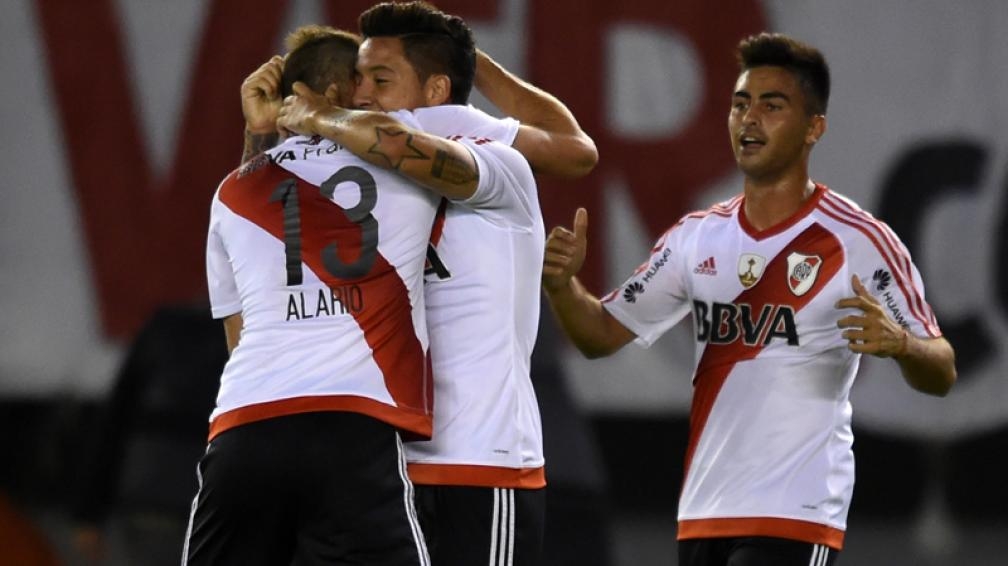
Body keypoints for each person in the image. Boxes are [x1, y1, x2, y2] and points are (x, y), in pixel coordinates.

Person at [540, 32, 956, 566]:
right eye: (741, 104)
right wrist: (562, 286)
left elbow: (942, 369)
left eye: (772, 105)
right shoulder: (696, 238)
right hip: (705, 510)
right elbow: (599, 335)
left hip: (797, 510)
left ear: (814, 128)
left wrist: (902, 344)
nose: (749, 119)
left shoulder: (859, 240)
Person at [273, 3, 597, 564]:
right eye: (357, 78)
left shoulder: (459, 136)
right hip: (390, 466)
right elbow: (574, 148)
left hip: (479, 458)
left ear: (436, 91)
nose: (362, 93)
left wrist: (309, 120)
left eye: (380, 79)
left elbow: (574, 153)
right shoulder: (361, 153)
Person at [184, 25, 495, 565]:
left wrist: (260, 133)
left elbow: (239, 335)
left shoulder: (232, 192)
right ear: (335, 93)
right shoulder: (403, 163)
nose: (372, 95)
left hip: (244, 430)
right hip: (353, 432)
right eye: (364, 81)